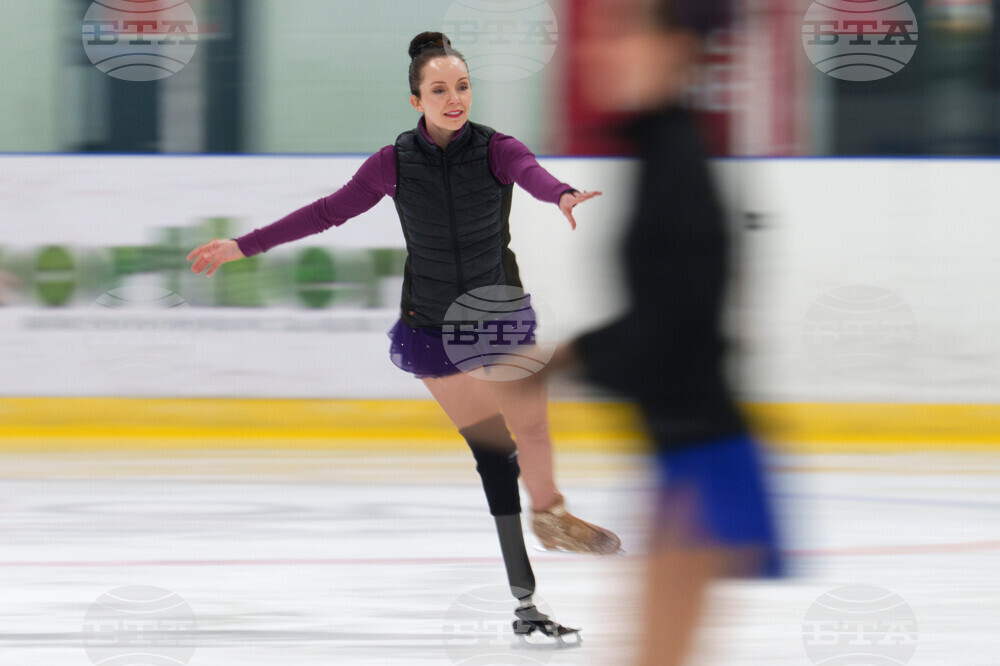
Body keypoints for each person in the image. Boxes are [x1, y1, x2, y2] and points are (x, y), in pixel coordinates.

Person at [187, 31, 619, 645]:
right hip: (431, 325)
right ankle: (526, 602)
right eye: (439, 90)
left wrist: (563, 194)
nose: (454, 99)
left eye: (462, 87)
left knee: (533, 426)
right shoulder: (392, 164)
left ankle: (550, 516)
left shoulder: (498, 149)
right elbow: (327, 211)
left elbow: (532, 174)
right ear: (416, 99)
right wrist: (243, 245)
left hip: (497, 312)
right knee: (493, 455)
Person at [540, 0, 784, 664]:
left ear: (677, 50)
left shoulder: (678, 160)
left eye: (624, 36)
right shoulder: (664, 151)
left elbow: (675, 326)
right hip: (687, 452)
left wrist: (560, 365)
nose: (601, 52)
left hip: (704, 455)